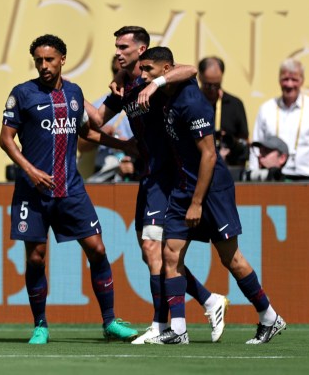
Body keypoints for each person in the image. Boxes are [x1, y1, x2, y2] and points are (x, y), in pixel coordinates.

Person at [88, 26, 228, 345]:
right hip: (149, 175)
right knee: (150, 252)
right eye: (116, 46)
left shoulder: (155, 77)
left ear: (141, 51)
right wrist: (68, 93)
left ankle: (163, 325)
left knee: (155, 249)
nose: (117, 52)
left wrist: (156, 84)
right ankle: (208, 300)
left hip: (168, 176)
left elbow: (190, 70)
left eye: (123, 47)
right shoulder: (125, 88)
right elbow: (95, 121)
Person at [137, 47, 286, 345]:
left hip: (211, 190)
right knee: (170, 253)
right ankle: (178, 330)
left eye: (148, 70)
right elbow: (179, 71)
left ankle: (269, 316)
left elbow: (209, 156)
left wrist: (197, 203)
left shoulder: (192, 101)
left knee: (231, 259)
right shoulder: (167, 92)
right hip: (183, 187)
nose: (143, 76)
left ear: (166, 70)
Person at [0, 34, 139, 344]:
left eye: (49, 59)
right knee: (36, 258)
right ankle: (40, 325)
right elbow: (6, 139)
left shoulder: (74, 93)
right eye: (39, 60)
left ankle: (109, 321)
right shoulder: (22, 94)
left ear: (63, 59)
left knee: (97, 249)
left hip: (71, 188)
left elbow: (87, 132)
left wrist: (124, 145)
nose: (44, 65)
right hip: (32, 191)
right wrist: (31, 171)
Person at [250, 59, 309, 181]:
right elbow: (256, 145)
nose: (289, 84)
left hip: (306, 177)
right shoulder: (266, 109)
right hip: (272, 178)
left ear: (302, 81)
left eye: (294, 80)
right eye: (285, 79)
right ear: (279, 80)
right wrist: (253, 174)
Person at [77, 57, 136, 182]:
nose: (119, 74)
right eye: (116, 71)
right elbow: (81, 146)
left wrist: (128, 145)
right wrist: (102, 132)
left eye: (124, 71)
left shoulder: (145, 102)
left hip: (137, 170)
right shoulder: (99, 106)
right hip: (104, 173)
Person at [198, 57, 249, 175]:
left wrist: (231, 143)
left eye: (217, 85)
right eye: (208, 85)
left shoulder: (235, 104)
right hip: (198, 168)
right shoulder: (192, 103)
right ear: (200, 77)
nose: (212, 89)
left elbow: (244, 141)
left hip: (228, 169)